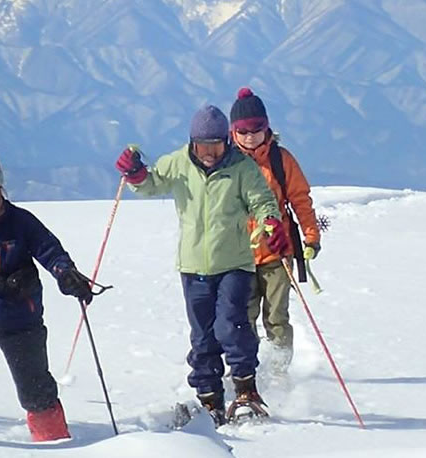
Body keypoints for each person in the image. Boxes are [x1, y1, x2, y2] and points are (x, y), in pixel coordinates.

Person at [114, 105, 288, 426]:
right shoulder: (177, 163)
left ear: (227, 142)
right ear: (192, 143)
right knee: (203, 337)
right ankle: (210, 400)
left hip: (234, 262)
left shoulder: (241, 168)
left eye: (217, 146)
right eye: (203, 147)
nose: (210, 154)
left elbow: (263, 202)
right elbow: (152, 183)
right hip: (193, 266)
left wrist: (271, 223)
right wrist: (136, 174)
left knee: (231, 325)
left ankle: (246, 390)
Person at [0, 139, 95, 442]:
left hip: (21, 319)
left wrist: (67, 275)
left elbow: (50, 251)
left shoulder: (20, 222)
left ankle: (55, 442)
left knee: (35, 386)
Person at [229, 87, 322, 374]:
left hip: (277, 252)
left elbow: (300, 200)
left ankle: (279, 372)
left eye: (256, 129)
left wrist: (311, 236)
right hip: (236, 254)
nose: (250, 136)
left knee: (277, 317)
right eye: (243, 131)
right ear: (233, 131)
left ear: (266, 127)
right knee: (243, 317)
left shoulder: (281, 161)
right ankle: (249, 372)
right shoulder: (227, 162)